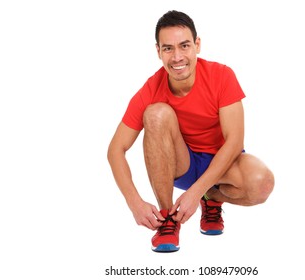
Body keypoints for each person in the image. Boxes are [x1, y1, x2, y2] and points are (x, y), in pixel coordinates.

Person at [107, 10, 274, 252]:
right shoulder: (151, 88)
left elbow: (235, 142)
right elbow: (115, 150)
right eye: (168, 49)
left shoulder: (222, 75)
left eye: (184, 46)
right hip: (182, 164)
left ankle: (212, 198)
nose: (177, 57)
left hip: (223, 163)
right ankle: (167, 220)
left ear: (197, 45)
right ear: (158, 52)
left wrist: (197, 192)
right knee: (156, 113)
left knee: (262, 183)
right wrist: (134, 202)